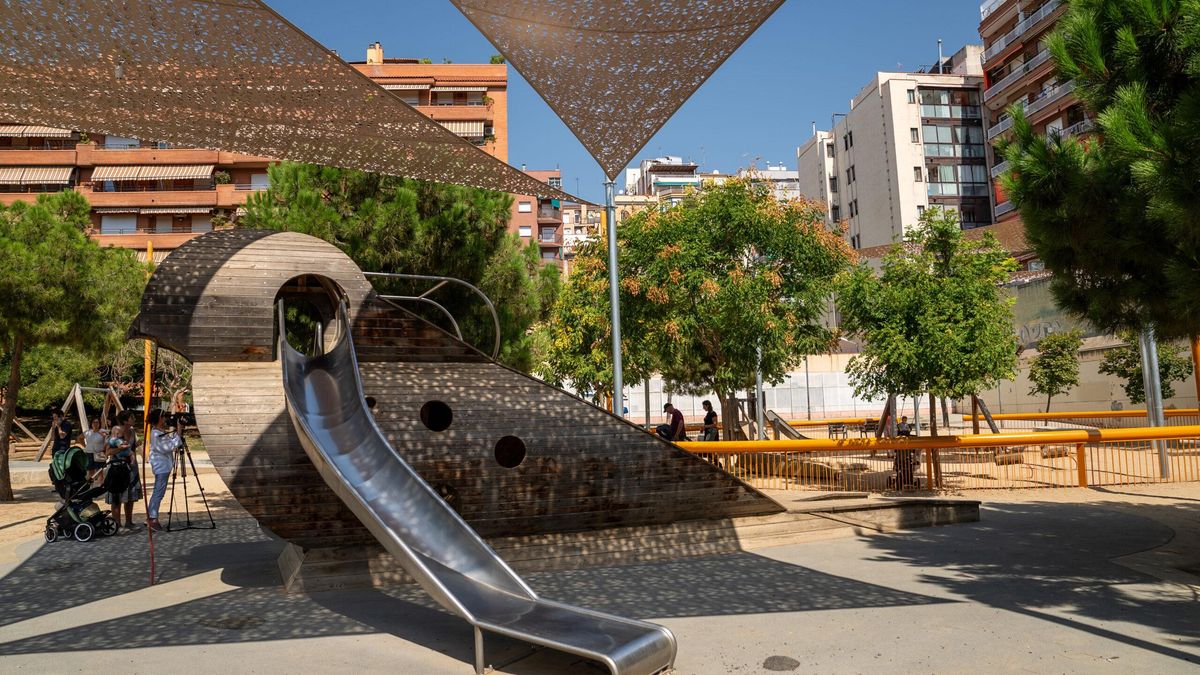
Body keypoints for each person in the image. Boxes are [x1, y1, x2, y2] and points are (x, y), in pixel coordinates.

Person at [146, 409, 183, 532]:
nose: (165, 419)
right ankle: (152, 518)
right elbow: (167, 447)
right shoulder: (155, 434)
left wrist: (177, 433)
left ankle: (152, 516)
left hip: (164, 466)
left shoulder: (160, 432)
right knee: (158, 493)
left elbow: (170, 444)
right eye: (163, 417)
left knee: (159, 492)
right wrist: (178, 432)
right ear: (158, 419)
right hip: (161, 466)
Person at [104, 421, 142, 532]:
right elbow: (107, 452)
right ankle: (117, 524)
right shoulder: (112, 438)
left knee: (130, 496)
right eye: (131, 417)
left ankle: (129, 523)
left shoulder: (132, 432)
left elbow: (133, 448)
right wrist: (120, 448)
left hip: (130, 469)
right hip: (116, 469)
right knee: (117, 497)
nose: (133, 419)